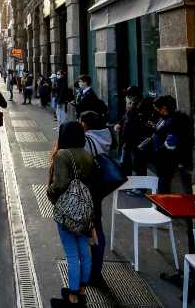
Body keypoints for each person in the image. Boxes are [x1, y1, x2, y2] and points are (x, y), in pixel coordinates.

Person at [47, 121, 96, 306]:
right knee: (84, 252)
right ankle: (82, 290)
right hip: (85, 210)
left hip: (68, 211)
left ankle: (73, 295)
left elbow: (60, 184)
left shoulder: (62, 155)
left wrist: (50, 193)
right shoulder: (88, 155)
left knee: (72, 255)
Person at [80, 110, 113, 285]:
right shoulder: (105, 136)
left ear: (86, 124)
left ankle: (88, 273)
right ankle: (96, 270)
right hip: (99, 187)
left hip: (88, 188)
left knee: (86, 231)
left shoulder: (88, 140)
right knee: (97, 227)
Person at [144, 95, 192, 193]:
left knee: (164, 183)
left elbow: (170, 143)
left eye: (157, 108)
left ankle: (163, 205)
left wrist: (157, 153)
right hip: (164, 159)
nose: (156, 111)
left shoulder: (173, 121)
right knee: (163, 182)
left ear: (164, 108)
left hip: (167, 160)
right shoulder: (166, 118)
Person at [115, 87, 152, 178]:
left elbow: (143, 124)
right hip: (127, 140)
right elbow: (125, 117)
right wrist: (119, 124)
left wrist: (132, 109)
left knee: (139, 165)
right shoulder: (130, 105)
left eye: (129, 95)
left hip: (138, 141)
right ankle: (128, 184)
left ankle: (140, 188)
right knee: (125, 163)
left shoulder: (145, 106)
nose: (127, 98)